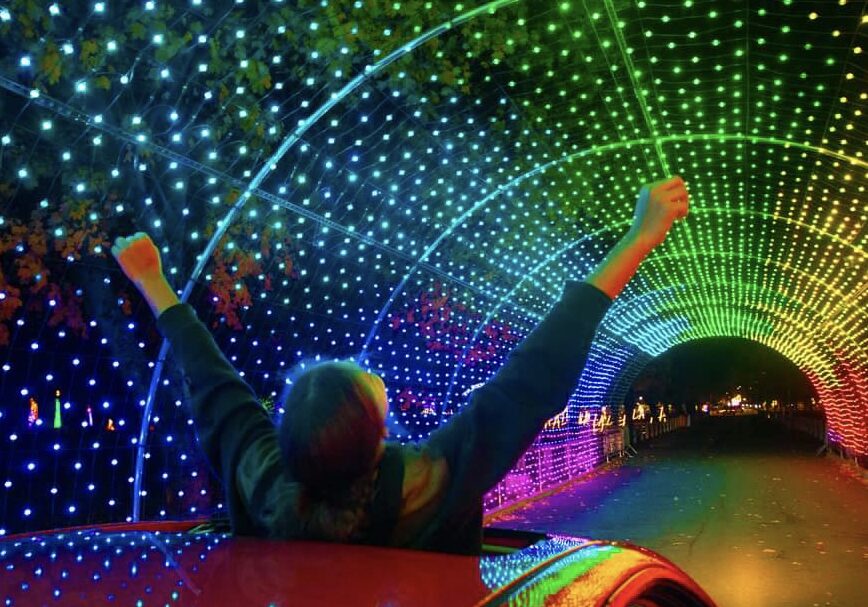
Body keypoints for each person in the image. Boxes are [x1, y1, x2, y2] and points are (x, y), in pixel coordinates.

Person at [112, 176, 689, 554]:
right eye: (367, 384)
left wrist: (152, 282)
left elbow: (210, 380)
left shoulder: (261, 481)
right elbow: (538, 369)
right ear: (377, 433)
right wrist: (638, 239)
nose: (366, 369)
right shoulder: (431, 484)